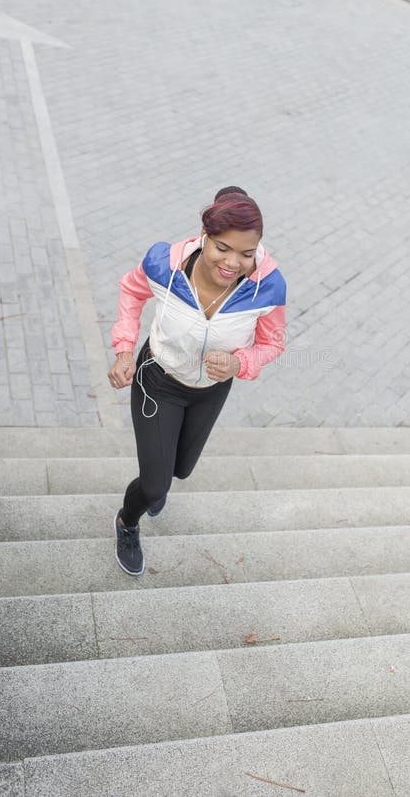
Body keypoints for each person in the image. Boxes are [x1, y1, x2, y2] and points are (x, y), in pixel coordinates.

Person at [108, 187, 286, 575]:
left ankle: (160, 478)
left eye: (247, 253)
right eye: (223, 248)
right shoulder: (163, 265)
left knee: (181, 470)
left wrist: (241, 363)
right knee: (155, 488)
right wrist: (124, 349)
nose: (233, 262)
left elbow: (272, 343)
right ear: (204, 236)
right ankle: (127, 522)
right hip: (158, 380)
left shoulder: (268, 287)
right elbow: (130, 289)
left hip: (210, 391)